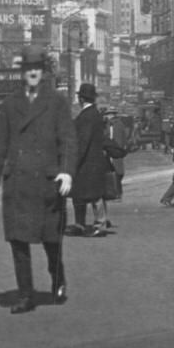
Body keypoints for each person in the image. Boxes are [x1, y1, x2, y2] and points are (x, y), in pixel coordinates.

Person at [0, 46, 77, 314]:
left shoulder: (56, 101)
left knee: (51, 241)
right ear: (22, 72)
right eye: (28, 69)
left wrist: (67, 171)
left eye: (37, 68)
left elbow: (68, 139)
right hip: (18, 184)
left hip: (47, 183)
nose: (33, 73)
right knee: (18, 241)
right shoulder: (11, 104)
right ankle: (25, 294)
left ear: (43, 72)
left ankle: (58, 278)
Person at [71, 82, 109, 236]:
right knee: (86, 194)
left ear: (81, 99)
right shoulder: (95, 114)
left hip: (87, 163)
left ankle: (98, 225)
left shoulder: (87, 116)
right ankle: (86, 224)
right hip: (94, 161)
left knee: (91, 194)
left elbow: (83, 141)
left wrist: (74, 160)